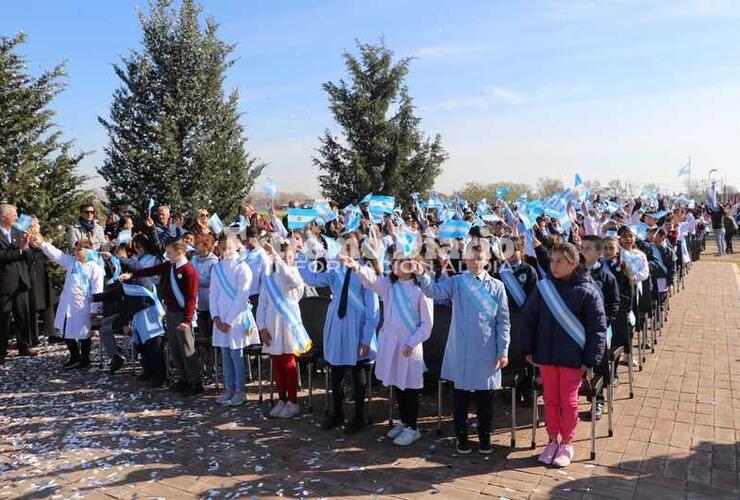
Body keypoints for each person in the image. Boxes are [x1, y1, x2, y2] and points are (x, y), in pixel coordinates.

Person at [417, 239, 510, 455]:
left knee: (485, 400)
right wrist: (422, 273)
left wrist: (503, 350)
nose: (475, 262)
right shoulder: (457, 282)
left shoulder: (497, 286)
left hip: (487, 351)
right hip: (461, 350)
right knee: (460, 398)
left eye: (480, 257)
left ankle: (485, 437)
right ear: (465, 259)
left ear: (488, 260)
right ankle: (461, 438)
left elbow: (503, 321)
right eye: (470, 257)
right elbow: (433, 292)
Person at [520, 242, 607, 468]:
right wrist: (528, 348)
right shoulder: (543, 288)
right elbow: (529, 319)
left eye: (560, 261)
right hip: (547, 356)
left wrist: (590, 360)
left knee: (568, 403)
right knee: (549, 399)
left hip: (572, 359)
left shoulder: (588, 292)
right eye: (551, 261)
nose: (554, 265)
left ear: (574, 263)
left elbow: (597, 329)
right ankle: (551, 440)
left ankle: (567, 442)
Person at [340, 250, 433, 447]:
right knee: (399, 384)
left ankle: (413, 427)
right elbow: (372, 281)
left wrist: (411, 342)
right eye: (394, 261)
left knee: (410, 387)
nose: (395, 265)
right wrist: (356, 267)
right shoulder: (390, 286)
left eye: (400, 262)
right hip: (392, 343)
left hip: (410, 345)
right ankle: (405, 421)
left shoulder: (421, 290)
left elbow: (427, 325)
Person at [296, 231, 380, 434]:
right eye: (343, 245)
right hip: (337, 324)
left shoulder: (365, 271)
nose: (345, 249)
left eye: (350, 246)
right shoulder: (335, 268)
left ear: (359, 250)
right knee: (336, 371)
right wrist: (300, 256)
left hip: (356, 327)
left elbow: (373, 310)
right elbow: (312, 279)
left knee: (358, 371)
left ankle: (359, 416)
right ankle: (337, 413)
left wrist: (366, 339)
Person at [121, 239, 202, 396]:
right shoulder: (171, 266)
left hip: (183, 314)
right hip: (171, 312)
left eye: (170, 253)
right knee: (175, 348)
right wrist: (132, 274)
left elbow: (192, 297)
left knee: (186, 348)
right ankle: (183, 378)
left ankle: (194, 382)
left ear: (179, 252)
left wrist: (187, 319)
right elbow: (153, 270)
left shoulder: (188, 270)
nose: (167, 255)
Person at [257, 240, 309, 419]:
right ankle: (282, 398)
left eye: (288, 257)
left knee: (288, 361)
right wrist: (262, 327)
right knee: (276, 362)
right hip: (272, 325)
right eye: (281, 256)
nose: (284, 260)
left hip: (288, 324)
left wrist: (279, 258)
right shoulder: (269, 278)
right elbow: (262, 304)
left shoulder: (294, 274)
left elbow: (290, 279)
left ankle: (293, 402)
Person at [39, 238, 105, 369]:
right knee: (66, 330)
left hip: (83, 305)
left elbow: (98, 289)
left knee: (83, 333)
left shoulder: (94, 267)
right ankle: (74, 356)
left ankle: (85, 359)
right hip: (67, 303)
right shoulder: (72, 262)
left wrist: (94, 309)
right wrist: (42, 243)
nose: (74, 252)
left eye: (77, 249)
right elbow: (57, 254)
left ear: (85, 251)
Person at [210, 233, 259, 406]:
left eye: (229, 248)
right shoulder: (217, 268)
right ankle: (228, 387)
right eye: (223, 248)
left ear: (237, 246)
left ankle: (240, 390)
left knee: (236, 353)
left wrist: (229, 321)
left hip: (236, 317)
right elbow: (213, 293)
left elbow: (242, 295)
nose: (226, 251)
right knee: (225, 353)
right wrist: (215, 316)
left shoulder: (242, 267)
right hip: (221, 317)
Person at [580, 235, 619, 421]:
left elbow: (614, 303)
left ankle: (599, 400)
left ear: (599, 252)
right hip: (577, 329)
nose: (583, 251)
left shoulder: (605, 276)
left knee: (597, 365)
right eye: (582, 247)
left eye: (588, 248)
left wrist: (605, 323)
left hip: (599, 331)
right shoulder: (573, 273)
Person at [0, 204, 37, 361]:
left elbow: (29, 258)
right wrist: (20, 251)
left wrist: (27, 249)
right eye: (14, 214)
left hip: (21, 281)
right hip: (4, 282)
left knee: (23, 315)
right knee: (3, 317)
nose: (17, 217)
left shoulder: (18, 232)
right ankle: (1, 350)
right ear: (3, 217)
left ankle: (24, 346)